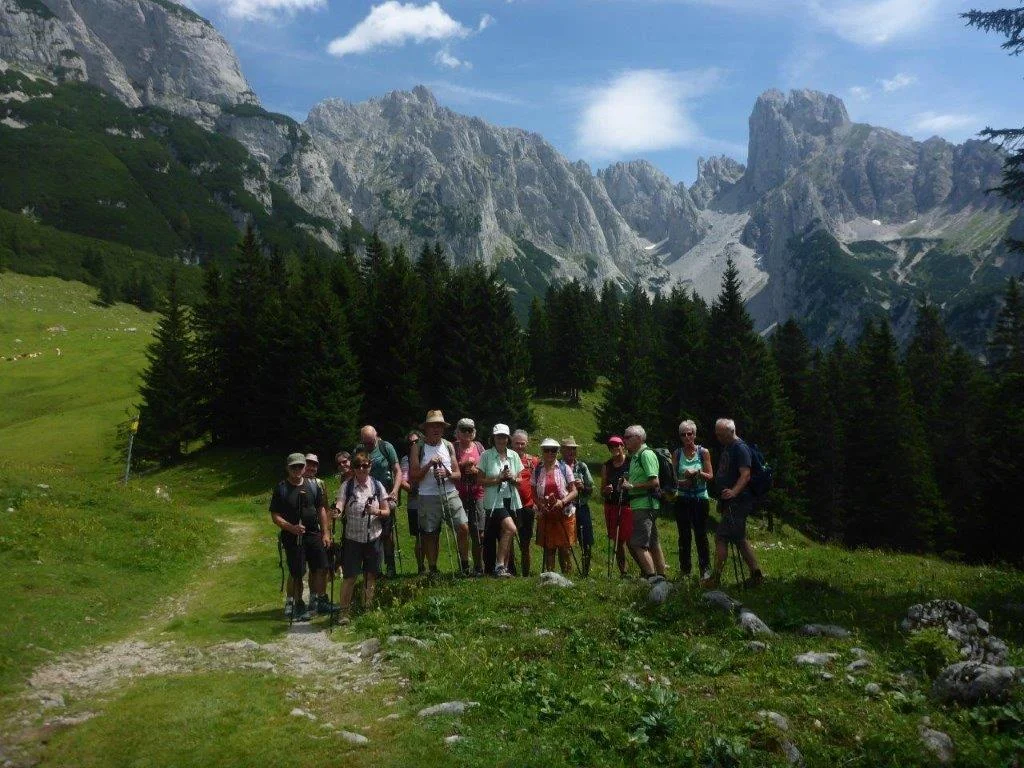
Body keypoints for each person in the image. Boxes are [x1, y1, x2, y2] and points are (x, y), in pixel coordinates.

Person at [702, 418, 764, 588]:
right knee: (740, 538)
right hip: (730, 500)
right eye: (717, 434)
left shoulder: (740, 448)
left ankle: (715, 577)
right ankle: (756, 575)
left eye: (721, 434)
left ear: (731, 431)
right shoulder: (728, 447)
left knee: (721, 536)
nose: (718, 437)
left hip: (738, 500)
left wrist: (733, 492)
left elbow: (746, 474)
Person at [270, 453, 331, 622]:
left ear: (304, 467)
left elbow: (321, 510)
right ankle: (298, 603)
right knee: (297, 571)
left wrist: (325, 532)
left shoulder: (313, 486)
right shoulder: (281, 488)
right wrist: (291, 528)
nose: (297, 470)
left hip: (313, 533)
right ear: (287, 468)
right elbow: (275, 515)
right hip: (292, 536)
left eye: (300, 466)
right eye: (293, 467)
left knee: (321, 567)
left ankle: (320, 601)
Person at [409, 410, 471, 576]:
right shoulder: (417, 447)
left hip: (450, 492)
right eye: (433, 426)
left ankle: (465, 565)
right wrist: (429, 465)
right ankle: (433, 569)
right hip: (427, 495)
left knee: (463, 527)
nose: (437, 429)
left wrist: (447, 474)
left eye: (440, 426)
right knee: (430, 533)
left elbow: (457, 475)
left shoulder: (449, 445)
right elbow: (414, 476)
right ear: (426, 429)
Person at [335, 449, 390, 624]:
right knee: (350, 576)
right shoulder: (347, 485)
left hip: (373, 537)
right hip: (353, 538)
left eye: (364, 466)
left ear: (370, 466)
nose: (361, 469)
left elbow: (387, 511)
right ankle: (344, 612)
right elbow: (340, 502)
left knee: (370, 575)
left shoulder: (377, 485)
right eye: (357, 466)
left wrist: (376, 511)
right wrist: (337, 510)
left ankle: (367, 609)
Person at [621, 425, 668, 584]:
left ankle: (651, 577)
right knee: (653, 542)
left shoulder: (645, 454)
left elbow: (654, 482)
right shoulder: (636, 456)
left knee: (638, 543)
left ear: (639, 438)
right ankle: (661, 576)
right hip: (642, 504)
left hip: (644, 504)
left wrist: (632, 486)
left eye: (628, 437)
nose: (624, 440)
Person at [356, 426, 402, 578]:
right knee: (369, 531)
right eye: (366, 443)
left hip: (386, 494)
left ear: (376, 436)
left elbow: (397, 470)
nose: (368, 446)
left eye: (371, 442)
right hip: (366, 494)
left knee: (387, 533)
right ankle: (374, 568)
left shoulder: (386, 447)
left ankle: (390, 567)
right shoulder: (358, 450)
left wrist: (395, 490)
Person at [478, 423, 522, 577]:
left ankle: (504, 568)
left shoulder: (514, 455)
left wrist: (512, 478)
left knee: (506, 532)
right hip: (494, 502)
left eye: (504, 437)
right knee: (510, 528)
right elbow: (480, 480)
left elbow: (520, 480)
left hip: (511, 499)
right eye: (498, 437)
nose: (501, 440)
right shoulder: (486, 455)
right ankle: (499, 565)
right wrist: (498, 479)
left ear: (508, 439)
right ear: (493, 438)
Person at [672, 420, 714, 581]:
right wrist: (683, 482)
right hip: (682, 497)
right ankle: (685, 570)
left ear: (694, 435)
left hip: (700, 498)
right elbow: (673, 478)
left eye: (689, 433)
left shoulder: (703, 452)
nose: (687, 437)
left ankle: (705, 569)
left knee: (701, 534)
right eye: (683, 434)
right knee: (683, 535)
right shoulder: (677, 453)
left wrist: (697, 472)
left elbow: (710, 476)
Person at [534, 437, 579, 574]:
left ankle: (567, 576)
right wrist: (540, 505)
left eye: (553, 450)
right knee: (549, 547)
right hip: (546, 513)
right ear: (542, 451)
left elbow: (574, 491)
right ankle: (550, 576)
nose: (550, 453)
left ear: (557, 452)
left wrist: (562, 501)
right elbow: (533, 492)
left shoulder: (564, 468)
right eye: (547, 450)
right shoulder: (537, 470)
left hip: (564, 512)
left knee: (565, 548)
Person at [454, 418, 486, 575]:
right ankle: (464, 564)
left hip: (477, 493)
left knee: (478, 531)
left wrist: (476, 471)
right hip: (458, 494)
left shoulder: (479, 447)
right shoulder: (452, 447)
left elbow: (485, 468)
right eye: (463, 429)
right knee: (462, 530)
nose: (466, 432)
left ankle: (479, 566)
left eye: (469, 430)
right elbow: (449, 467)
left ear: (473, 432)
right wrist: (462, 466)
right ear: (457, 431)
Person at [560, 436, 594, 576]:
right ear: (562, 450)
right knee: (565, 542)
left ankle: (585, 573)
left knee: (586, 540)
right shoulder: (558, 466)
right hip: (565, 507)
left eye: (574, 449)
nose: (572, 452)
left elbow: (591, 488)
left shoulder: (582, 466)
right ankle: (567, 572)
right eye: (568, 449)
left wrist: (583, 487)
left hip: (581, 506)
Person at [601, 436, 634, 577]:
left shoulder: (631, 462)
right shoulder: (606, 466)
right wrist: (606, 490)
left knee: (631, 539)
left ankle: (645, 569)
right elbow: (602, 490)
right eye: (612, 447)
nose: (615, 449)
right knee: (618, 540)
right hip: (612, 506)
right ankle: (624, 571)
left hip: (628, 505)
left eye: (617, 446)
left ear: (623, 446)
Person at [511, 429, 538, 577]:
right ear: (512, 443)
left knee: (525, 542)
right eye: (517, 443)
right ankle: (510, 570)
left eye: (522, 444)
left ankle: (526, 573)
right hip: (510, 505)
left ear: (527, 444)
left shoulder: (533, 461)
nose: (520, 447)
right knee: (508, 538)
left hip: (527, 506)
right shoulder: (506, 458)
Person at [399, 431, 425, 574]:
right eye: (411, 443)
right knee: (419, 536)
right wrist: (413, 490)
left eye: (416, 441)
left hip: (430, 499)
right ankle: (421, 567)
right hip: (414, 502)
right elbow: (403, 480)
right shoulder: (406, 459)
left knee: (432, 534)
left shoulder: (427, 455)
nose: (414, 444)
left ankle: (432, 565)